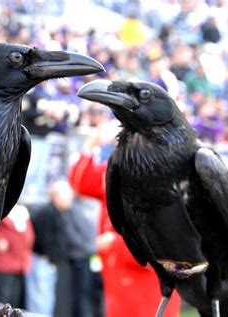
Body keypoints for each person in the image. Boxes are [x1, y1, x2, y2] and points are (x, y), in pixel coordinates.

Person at [69, 123, 181, 317]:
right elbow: (82, 184)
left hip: (148, 285)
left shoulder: (161, 186)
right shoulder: (119, 173)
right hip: (118, 277)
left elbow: (164, 244)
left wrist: (115, 243)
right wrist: (91, 145)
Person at [26, 180, 73, 316]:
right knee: (39, 299)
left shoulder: (57, 212)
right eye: (67, 197)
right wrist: (50, 256)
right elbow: (42, 240)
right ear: (57, 196)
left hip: (48, 262)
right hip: (42, 260)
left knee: (46, 298)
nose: (70, 200)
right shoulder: (47, 213)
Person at [0, 204, 35, 309]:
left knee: (14, 304)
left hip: (19, 266)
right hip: (1, 267)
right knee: (0, 304)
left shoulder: (22, 212)